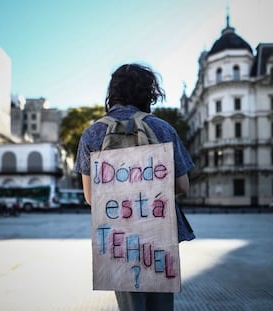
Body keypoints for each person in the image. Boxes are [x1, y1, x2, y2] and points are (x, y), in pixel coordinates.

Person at [75, 63, 195, 311]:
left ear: (113, 92)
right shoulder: (163, 128)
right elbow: (183, 185)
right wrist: (151, 188)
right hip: (159, 231)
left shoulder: (92, 133)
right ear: (148, 93)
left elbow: (90, 197)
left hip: (119, 235)